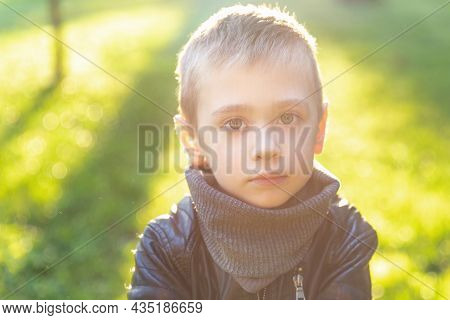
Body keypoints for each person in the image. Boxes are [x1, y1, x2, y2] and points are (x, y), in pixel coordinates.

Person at [128, 3, 378, 300]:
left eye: (288, 118)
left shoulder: (343, 238)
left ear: (319, 128)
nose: (265, 148)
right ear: (194, 142)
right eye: (234, 124)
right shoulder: (167, 247)